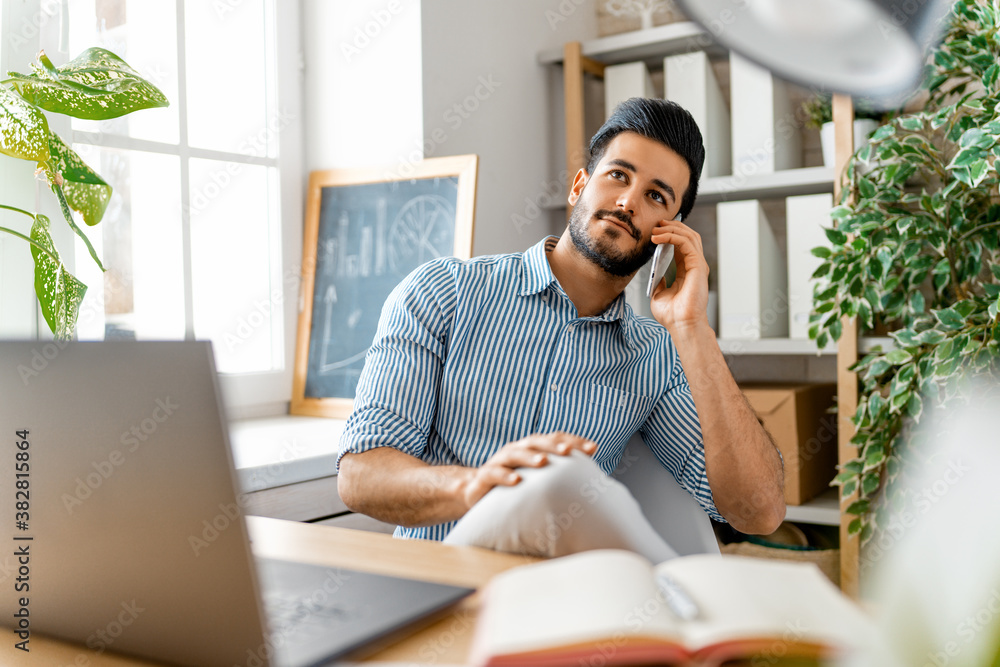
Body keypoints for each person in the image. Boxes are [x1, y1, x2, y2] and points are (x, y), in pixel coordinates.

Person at [337, 97, 785, 559]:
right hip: (440, 588)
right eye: (618, 175)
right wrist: (476, 486)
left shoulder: (656, 356)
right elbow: (360, 476)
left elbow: (759, 512)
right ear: (579, 186)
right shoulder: (443, 292)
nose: (628, 201)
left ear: (668, 231)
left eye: (656, 196)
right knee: (564, 477)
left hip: (566, 608)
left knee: (570, 480)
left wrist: (693, 328)